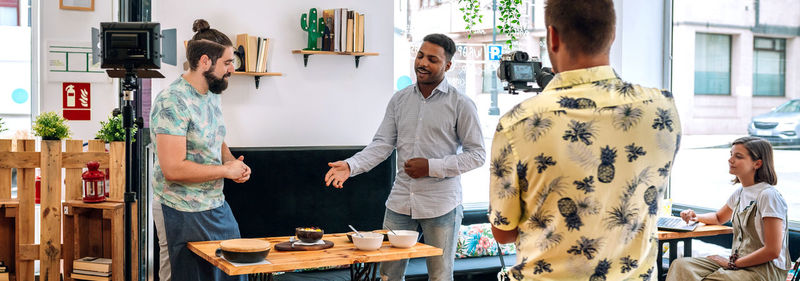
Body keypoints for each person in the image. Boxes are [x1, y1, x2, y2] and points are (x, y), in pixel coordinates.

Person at [488, 0, 682, 280]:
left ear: (552, 37)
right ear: (612, 34)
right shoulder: (663, 108)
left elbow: (503, 232)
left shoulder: (518, 122)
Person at [324, 33, 486, 281]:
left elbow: (477, 155)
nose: (422, 63)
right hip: (400, 203)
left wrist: (431, 167)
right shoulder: (399, 100)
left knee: (440, 277)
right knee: (388, 275)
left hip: (442, 205)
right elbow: (382, 144)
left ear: (448, 66)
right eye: (420, 56)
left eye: (432, 59)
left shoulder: (461, 104)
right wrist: (350, 165)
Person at [150, 19, 251, 281]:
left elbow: (215, 138)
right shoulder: (172, 102)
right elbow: (173, 168)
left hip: (215, 205)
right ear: (205, 61)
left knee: (234, 271)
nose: (232, 69)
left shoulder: (212, 94)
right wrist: (225, 170)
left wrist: (232, 164)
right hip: (179, 208)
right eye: (227, 62)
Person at [666, 137, 790, 280]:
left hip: (764, 270)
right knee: (681, 266)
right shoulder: (740, 193)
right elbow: (719, 218)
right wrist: (696, 217)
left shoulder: (768, 196)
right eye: (731, 154)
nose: (730, 160)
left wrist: (733, 263)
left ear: (757, 163)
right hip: (739, 263)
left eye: (738, 156)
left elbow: (772, 251)